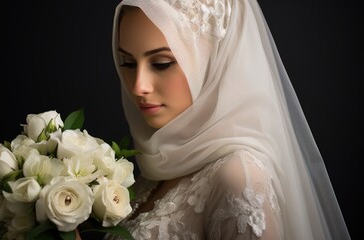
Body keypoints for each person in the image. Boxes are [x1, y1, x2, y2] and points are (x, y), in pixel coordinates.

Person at [81, 0, 351, 239]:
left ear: (213, 60)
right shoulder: (156, 169)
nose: (139, 86)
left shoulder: (238, 177)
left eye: (162, 63)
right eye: (127, 63)